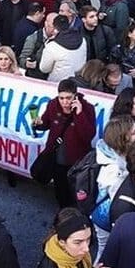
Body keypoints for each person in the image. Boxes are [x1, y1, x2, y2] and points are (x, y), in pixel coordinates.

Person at [32, 79, 96, 207]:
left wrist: (79, 114)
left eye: (68, 98)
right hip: (57, 156)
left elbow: (88, 136)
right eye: (61, 98)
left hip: (77, 160)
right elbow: (46, 123)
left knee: (76, 190)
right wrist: (38, 124)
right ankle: (63, 211)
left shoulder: (87, 108)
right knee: (60, 188)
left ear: (75, 96)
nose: (65, 102)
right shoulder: (53, 104)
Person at [39, 15, 87, 84]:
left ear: (55, 29)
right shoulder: (83, 40)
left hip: (57, 83)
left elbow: (44, 69)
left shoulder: (52, 46)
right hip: (78, 82)